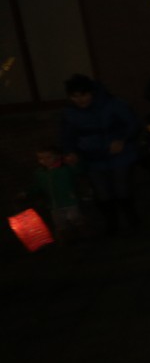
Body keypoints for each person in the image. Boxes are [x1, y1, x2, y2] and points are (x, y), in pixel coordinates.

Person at [59, 74, 140, 236]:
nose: (80, 100)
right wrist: (70, 151)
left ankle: (133, 222)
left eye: (83, 95)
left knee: (122, 189)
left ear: (91, 93)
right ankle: (112, 225)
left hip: (119, 154)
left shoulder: (112, 104)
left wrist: (122, 140)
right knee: (102, 193)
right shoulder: (70, 113)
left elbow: (132, 123)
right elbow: (67, 135)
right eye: (75, 96)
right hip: (92, 156)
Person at [26, 147, 84, 242]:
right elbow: (38, 186)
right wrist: (27, 193)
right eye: (41, 158)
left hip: (69, 200)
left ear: (56, 157)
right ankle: (67, 240)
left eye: (48, 157)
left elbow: (78, 172)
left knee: (76, 219)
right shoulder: (40, 173)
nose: (45, 161)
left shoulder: (65, 169)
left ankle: (82, 237)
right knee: (60, 223)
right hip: (54, 204)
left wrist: (74, 164)